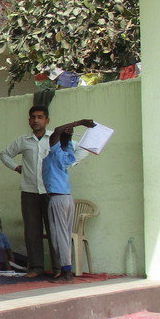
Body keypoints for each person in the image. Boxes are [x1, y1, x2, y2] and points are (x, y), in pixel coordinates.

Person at [0, 105, 87, 277]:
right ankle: (36, 267)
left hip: (51, 192)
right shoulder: (23, 140)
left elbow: (81, 148)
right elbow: (4, 154)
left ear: (47, 120)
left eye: (40, 117)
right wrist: (16, 167)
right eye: (33, 117)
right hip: (29, 190)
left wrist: (69, 163)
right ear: (29, 121)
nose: (36, 120)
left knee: (55, 231)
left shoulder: (55, 138)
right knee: (32, 231)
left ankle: (58, 268)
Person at [42, 118, 96, 282]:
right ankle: (65, 270)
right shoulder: (68, 155)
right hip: (66, 198)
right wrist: (70, 133)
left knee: (59, 236)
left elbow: (57, 130)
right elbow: (60, 135)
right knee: (63, 235)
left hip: (57, 198)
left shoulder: (56, 153)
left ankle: (66, 271)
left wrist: (79, 123)